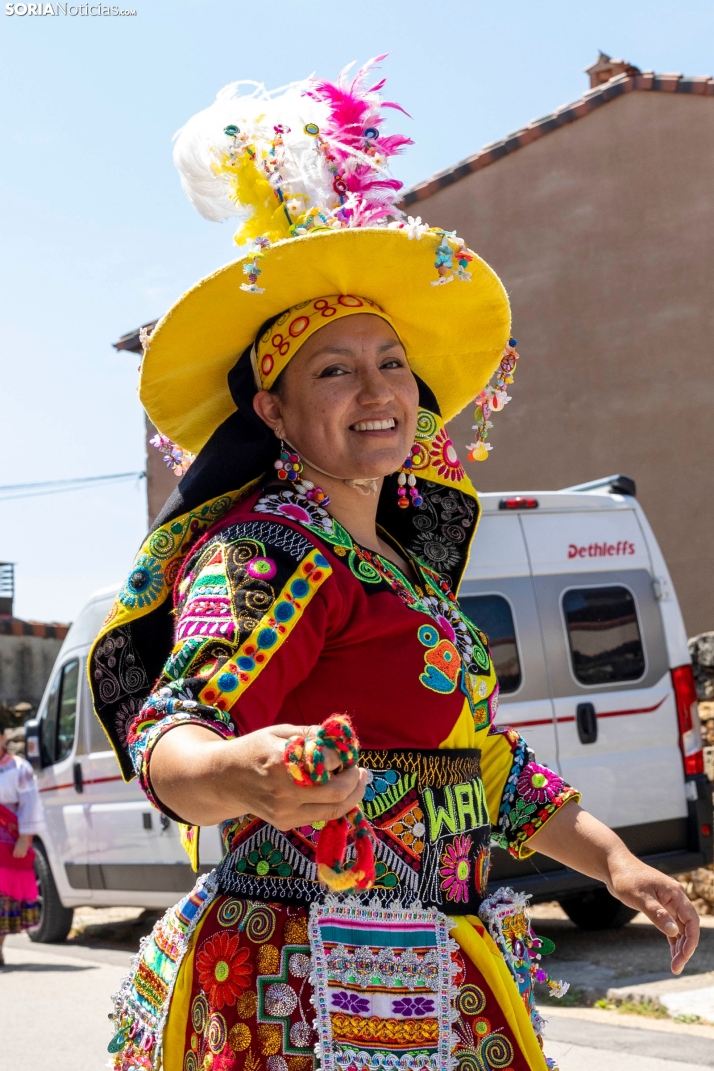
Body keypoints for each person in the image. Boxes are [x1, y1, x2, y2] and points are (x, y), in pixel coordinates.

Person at [91, 60, 699, 1071]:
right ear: (274, 413)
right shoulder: (271, 551)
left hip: (433, 961)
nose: (376, 389)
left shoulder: (405, 577)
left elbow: (484, 772)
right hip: (302, 987)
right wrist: (243, 770)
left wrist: (617, 861)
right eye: (334, 368)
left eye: (391, 366)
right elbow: (169, 734)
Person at [0, 712, 45, 964]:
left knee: (4, 897)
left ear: (3, 737)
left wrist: (25, 838)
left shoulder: (19, 768)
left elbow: (30, 804)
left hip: (8, 841)